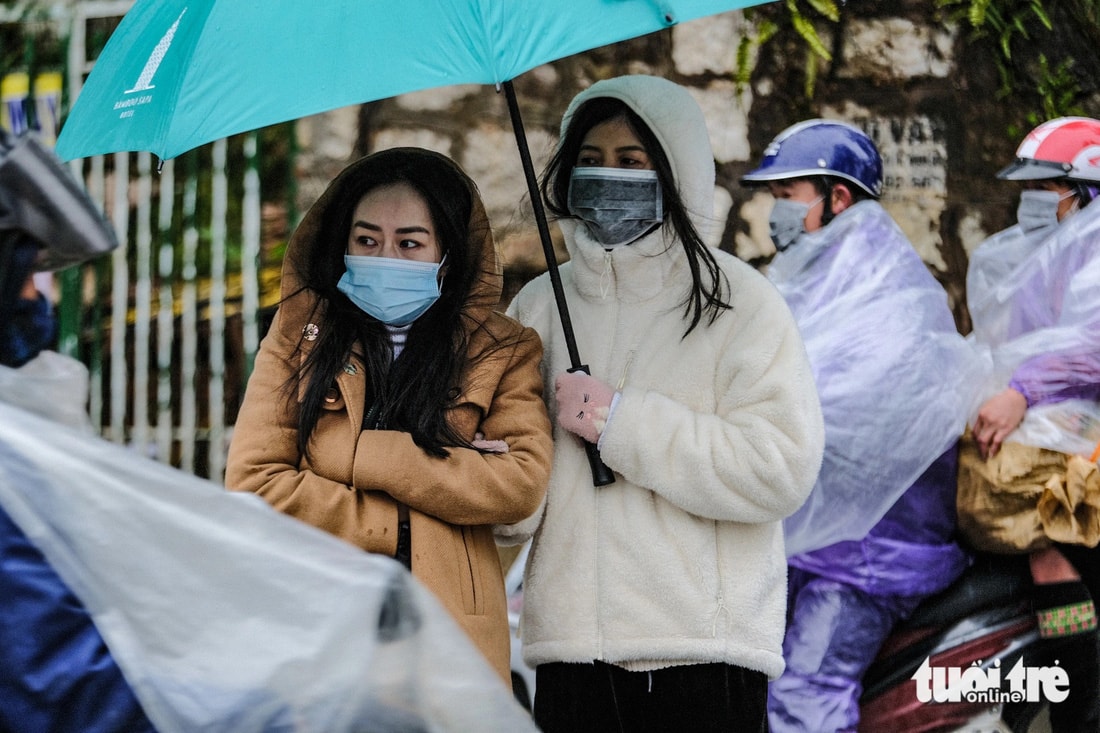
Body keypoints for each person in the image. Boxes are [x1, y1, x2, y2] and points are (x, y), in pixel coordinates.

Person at [496, 74, 825, 732]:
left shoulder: (740, 302)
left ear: (674, 169)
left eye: (630, 161)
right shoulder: (538, 307)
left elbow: (779, 464)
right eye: (589, 161)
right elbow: (519, 489)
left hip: (703, 657)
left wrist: (622, 421)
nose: (606, 176)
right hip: (571, 656)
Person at [225, 147, 553, 684]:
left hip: (451, 634)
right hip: (322, 624)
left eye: (410, 243)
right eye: (367, 240)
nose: (386, 258)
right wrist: (405, 518)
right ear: (344, 244)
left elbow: (518, 484)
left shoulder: (504, 349)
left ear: (448, 253)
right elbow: (254, 483)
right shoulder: (298, 338)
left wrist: (364, 456)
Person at [740, 119, 978, 732]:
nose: (774, 212)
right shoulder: (817, 277)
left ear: (837, 198)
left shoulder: (885, 290)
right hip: (817, 541)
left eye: (787, 196)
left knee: (803, 697)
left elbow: (856, 409)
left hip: (872, 554)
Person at [965, 116, 1100, 733]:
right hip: (1055, 432)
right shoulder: (1038, 257)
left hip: (1081, 446)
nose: (1032, 203)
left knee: (1050, 553)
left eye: (1046, 189)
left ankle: (1077, 716)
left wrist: (1021, 392)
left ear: (1085, 192)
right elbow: (999, 340)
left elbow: (1091, 347)